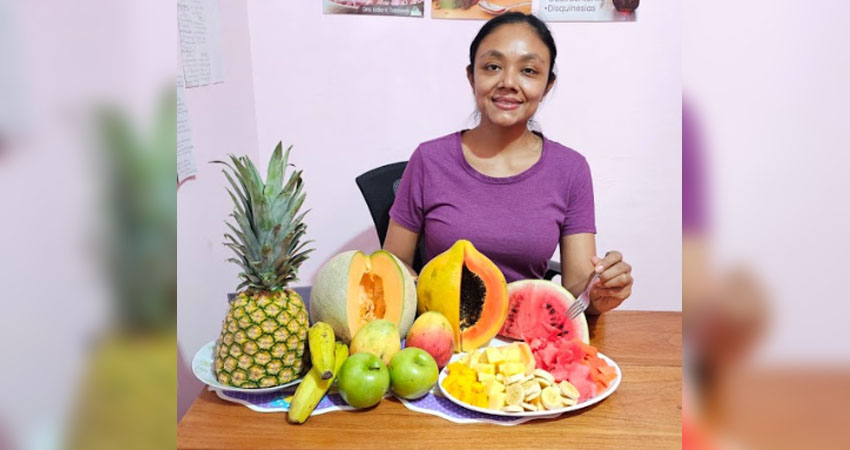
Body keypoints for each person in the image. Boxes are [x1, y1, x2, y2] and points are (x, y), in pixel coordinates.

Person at [383, 12, 632, 314]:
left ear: (547, 85)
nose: (509, 82)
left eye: (528, 70)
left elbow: (577, 288)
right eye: (492, 67)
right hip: (443, 335)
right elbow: (392, 265)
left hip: (529, 341)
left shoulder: (571, 170)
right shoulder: (429, 159)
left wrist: (600, 290)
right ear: (471, 76)